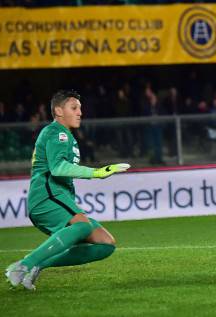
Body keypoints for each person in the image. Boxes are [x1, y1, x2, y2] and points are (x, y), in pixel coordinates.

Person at [5, 90, 130, 290]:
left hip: (57, 197)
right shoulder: (57, 132)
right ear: (58, 111)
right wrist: (97, 172)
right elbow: (58, 168)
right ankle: (22, 265)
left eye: (80, 108)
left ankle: (38, 264)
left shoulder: (67, 136)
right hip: (46, 195)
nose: (80, 112)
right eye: (74, 108)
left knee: (106, 244)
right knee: (83, 226)